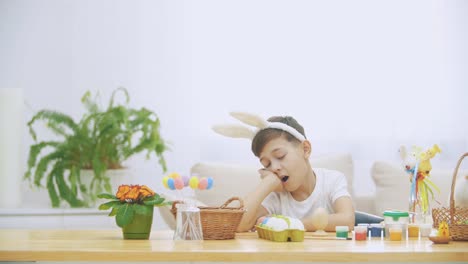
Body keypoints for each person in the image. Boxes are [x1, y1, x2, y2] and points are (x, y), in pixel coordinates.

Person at [212, 113, 355, 232]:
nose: (274, 168)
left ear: (305, 149)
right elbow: (237, 224)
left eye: (280, 156)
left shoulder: (332, 180)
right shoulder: (275, 196)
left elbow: (347, 220)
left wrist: (291, 225)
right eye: (266, 164)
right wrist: (267, 183)